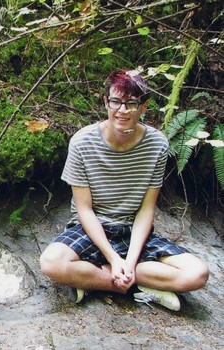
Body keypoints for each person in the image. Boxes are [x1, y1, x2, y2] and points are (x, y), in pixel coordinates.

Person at [39, 69, 209, 311]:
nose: (122, 110)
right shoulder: (82, 142)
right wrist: (113, 258)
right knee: (51, 263)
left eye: (131, 103)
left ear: (144, 106)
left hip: (134, 231)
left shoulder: (157, 144)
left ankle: (95, 279)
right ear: (106, 102)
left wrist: (128, 261)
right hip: (92, 228)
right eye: (116, 101)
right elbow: (84, 210)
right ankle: (137, 285)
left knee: (197, 274)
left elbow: (146, 209)